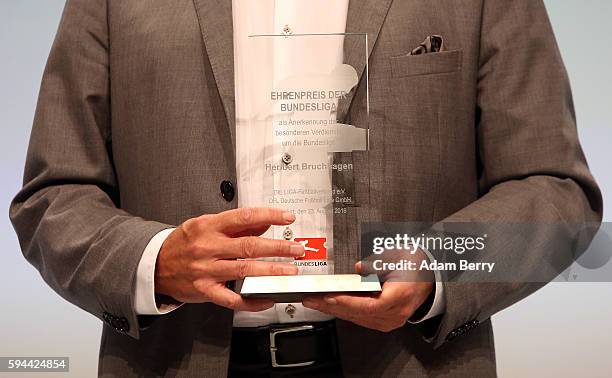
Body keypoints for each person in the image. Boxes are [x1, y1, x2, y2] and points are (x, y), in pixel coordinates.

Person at [10, 0, 602, 377]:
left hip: (411, 362)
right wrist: (156, 259)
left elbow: (558, 194)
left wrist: (438, 262)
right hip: (178, 359)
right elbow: (52, 198)